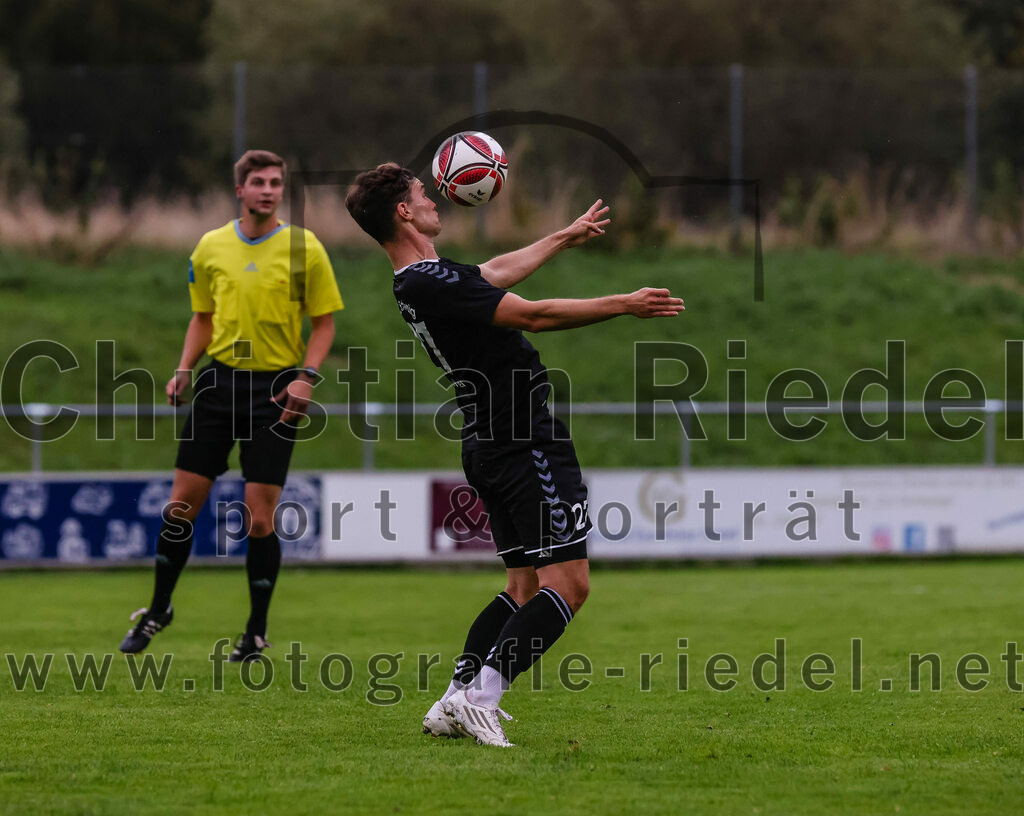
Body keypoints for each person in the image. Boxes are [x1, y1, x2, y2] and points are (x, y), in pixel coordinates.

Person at [345, 163, 683, 746]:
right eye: (422, 194)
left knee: (523, 588)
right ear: (403, 211)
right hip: (524, 439)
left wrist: (563, 235)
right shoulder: (427, 281)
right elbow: (532, 314)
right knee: (570, 585)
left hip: (490, 441)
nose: (433, 199)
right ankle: (482, 698)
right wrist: (623, 303)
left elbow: (493, 272)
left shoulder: (422, 278)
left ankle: (454, 699)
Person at [119, 149, 344, 661]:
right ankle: (158, 610)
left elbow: (324, 323)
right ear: (239, 190)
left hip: (276, 391)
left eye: (276, 182)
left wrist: (307, 377)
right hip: (218, 386)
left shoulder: (304, 248)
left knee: (259, 519)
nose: (268, 190)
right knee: (180, 506)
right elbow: (203, 317)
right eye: (259, 182)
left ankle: (255, 632)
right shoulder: (210, 247)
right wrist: (183, 367)